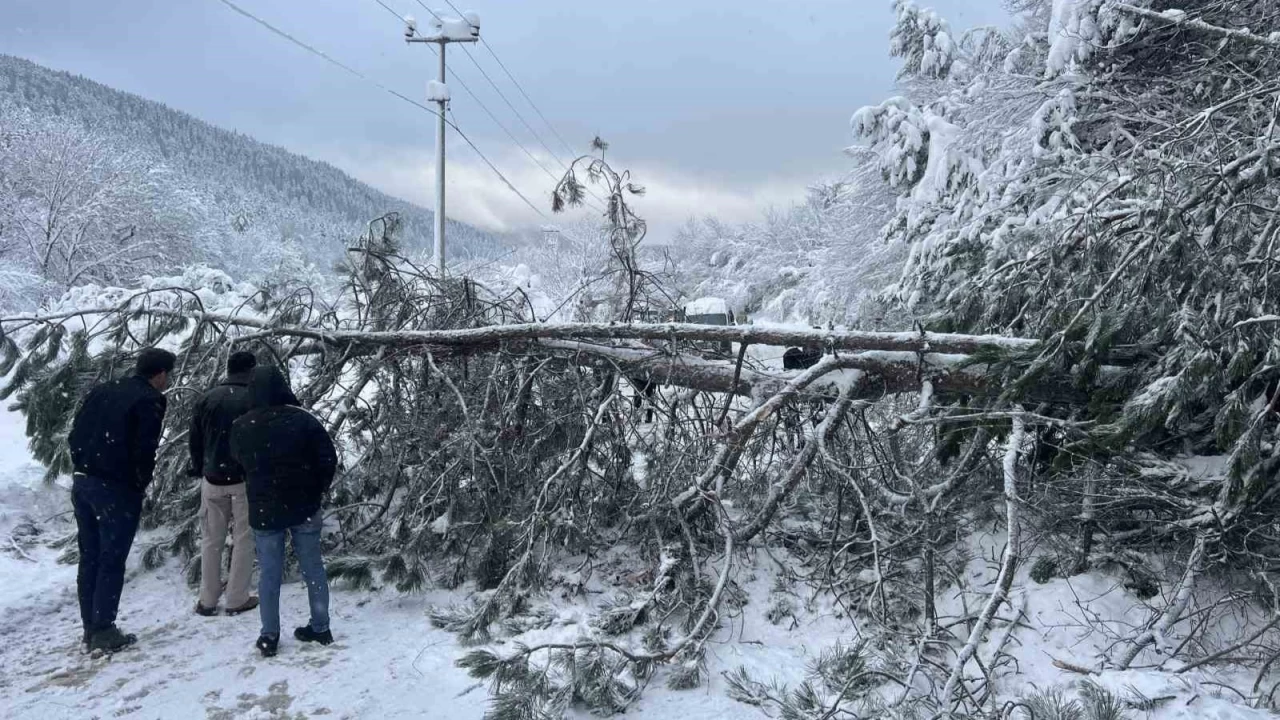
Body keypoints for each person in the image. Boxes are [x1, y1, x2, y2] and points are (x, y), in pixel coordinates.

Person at [68, 348, 175, 652]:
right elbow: (145, 450)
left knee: (90, 556)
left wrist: (83, 465)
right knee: (111, 559)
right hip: (116, 488)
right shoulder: (150, 400)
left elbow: (75, 434)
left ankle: (90, 626)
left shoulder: (103, 390)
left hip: (83, 480)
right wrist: (138, 483)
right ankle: (103, 629)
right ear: (162, 374)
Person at [230, 365, 338, 657]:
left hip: (264, 510)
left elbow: (238, 462)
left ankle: (269, 635)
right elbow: (328, 458)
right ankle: (320, 626)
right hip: (304, 505)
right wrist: (317, 488)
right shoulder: (303, 421)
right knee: (313, 567)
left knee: (269, 573)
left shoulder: (242, 426)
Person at [187, 350, 260, 617]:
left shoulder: (207, 398)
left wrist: (198, 467)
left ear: (228, 369)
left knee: (211, 539)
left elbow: (194, 440)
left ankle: (207, 599)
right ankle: (236, 598)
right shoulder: (253, 399)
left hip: (212, 477)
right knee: (244, 538)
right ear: (251, 370)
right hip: (243, 479)